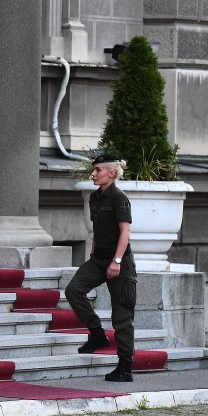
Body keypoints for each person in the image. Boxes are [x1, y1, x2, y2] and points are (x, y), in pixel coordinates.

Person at [65, 153, 136, 382]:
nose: (93, 174)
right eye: (93, 170)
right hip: (98, 259)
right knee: (74, 290)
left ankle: (125, 367)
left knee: (121, 315)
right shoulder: (95, 198)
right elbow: (97, 230)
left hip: (120, 262)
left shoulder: (119, 198)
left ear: (111, 173)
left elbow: (125, 231)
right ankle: (97, 333)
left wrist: (116, 261)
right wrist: (94, 256)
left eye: (97, 170)